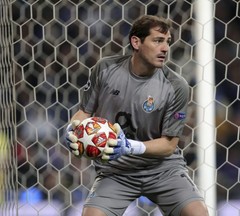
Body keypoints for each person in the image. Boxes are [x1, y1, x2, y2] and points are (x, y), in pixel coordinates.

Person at [66, 15, 209, 216]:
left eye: (167, 42)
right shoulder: (105, 69)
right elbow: (83, 113)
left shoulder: (176, 86)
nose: (165, 48)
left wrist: (129, 147)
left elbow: (169, 145)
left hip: (163, 170)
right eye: (158, 41)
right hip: (116, 172)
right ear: (136, 42)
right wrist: (72, 129)